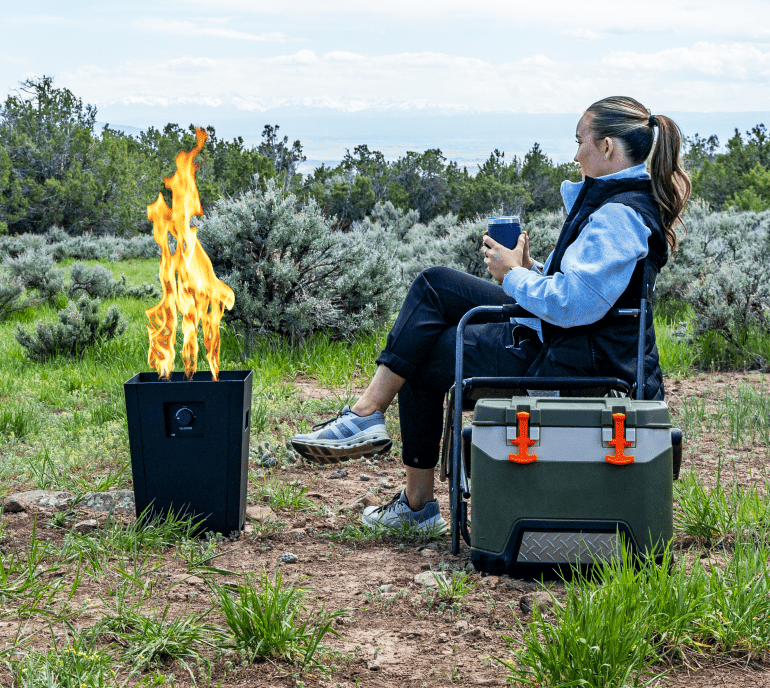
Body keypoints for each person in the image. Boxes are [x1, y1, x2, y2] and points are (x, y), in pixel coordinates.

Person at [289, 96, 691, 535]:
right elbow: (587, 294)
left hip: (573, 362)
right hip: (571, 346)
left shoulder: (618, 215)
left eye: (580, 141)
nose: (575, 154)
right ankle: (371, 425)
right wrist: (528, 271)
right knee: (435, 285)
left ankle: (407, 488)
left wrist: (512, 276)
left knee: (421, 353)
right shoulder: (617, 203)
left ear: (608, 147)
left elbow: (575, 305)